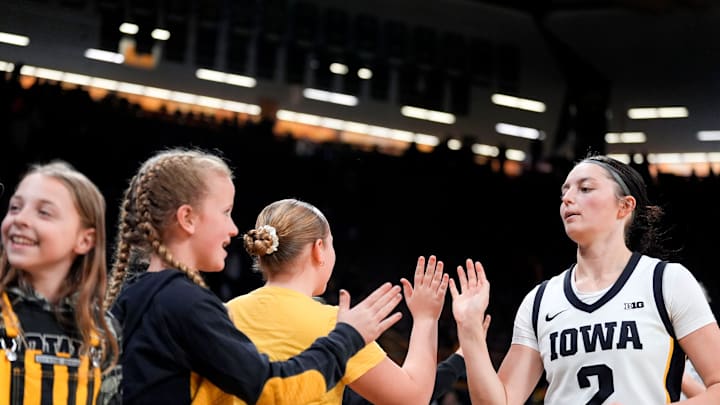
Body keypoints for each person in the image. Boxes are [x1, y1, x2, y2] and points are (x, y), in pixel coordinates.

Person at [103, 148, 405, 405]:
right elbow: (273, 389)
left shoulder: (131, 295)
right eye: (225, 212)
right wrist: (347, 337)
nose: (234, 229)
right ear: (187, 218)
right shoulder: (185, 303)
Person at [450, 154, 720, 404]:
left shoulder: (665, 281)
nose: (567, 198)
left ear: (624, 206)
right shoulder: (540, 300)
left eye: (585, 189)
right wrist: (470, 331)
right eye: (564, 191)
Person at [216, 198, 449, 405]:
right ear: (319, 250)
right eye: (331, 244)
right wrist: (426, 318)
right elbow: (412, 398)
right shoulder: (336, 327)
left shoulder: (223, 314)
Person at [0, 161, 121, 404]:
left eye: (44, 212)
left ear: (85, 240)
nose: (20, 219)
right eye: (14, 208)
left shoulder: (103, 330)